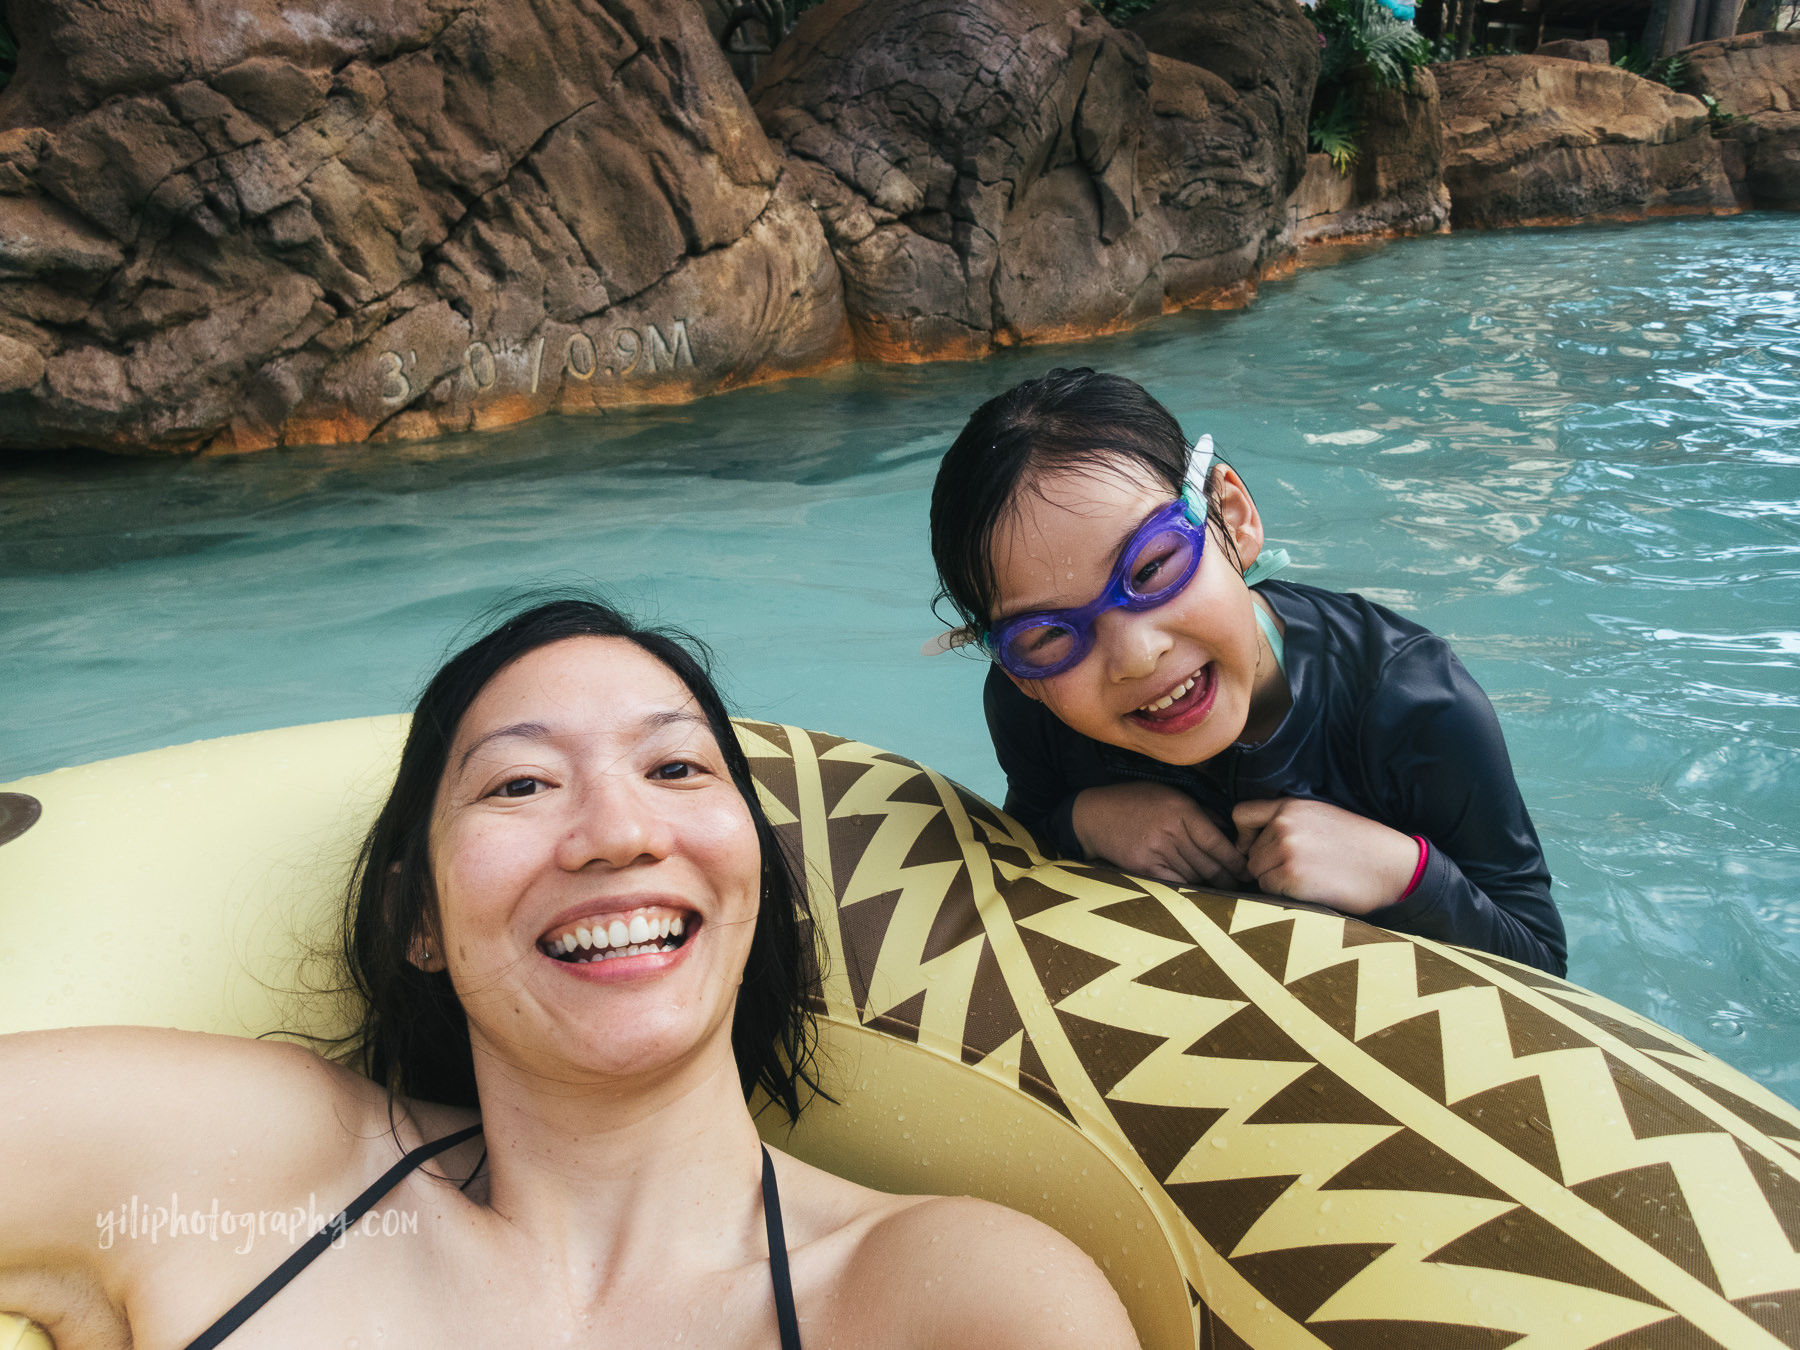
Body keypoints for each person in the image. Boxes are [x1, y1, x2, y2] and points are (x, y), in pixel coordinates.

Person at [0, 599, 1138, 1350]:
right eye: (520, 786)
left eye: (675, 766)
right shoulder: (246, 1174)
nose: (615, 830)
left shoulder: (944, 1298)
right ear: (420, 919)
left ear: (748, 875)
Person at [927, 370, 1566, 976]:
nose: (1138, 655)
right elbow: (1017, 856)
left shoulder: (1409, 701)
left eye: (1152, 568)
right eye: (1044, 635)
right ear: (1016, 670)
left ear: (1231, 518)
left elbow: (1542, 963)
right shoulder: (1033, 706)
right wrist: (1084, 821)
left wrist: (1403, 874)